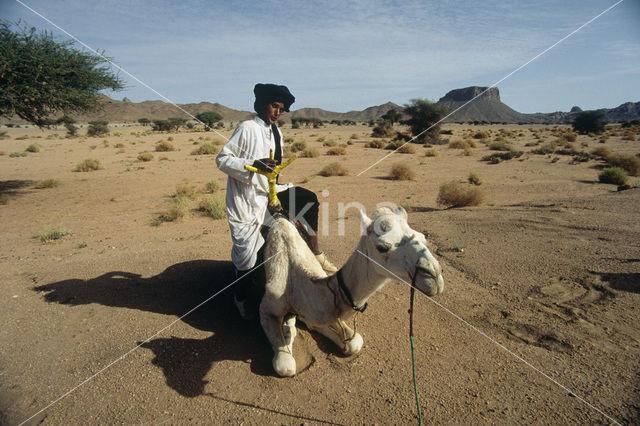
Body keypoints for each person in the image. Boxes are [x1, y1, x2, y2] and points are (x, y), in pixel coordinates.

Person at [216, 83, 336, 319]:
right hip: (247, 197)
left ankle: (316, 254)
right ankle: (240, 297)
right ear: (262, 105)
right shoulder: (247, 128)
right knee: (247, 256)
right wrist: (252, 167)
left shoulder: (276, 132)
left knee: (307, 199)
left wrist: (272, 179)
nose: (277, 112)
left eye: (281, 109)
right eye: (274, 106)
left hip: (270, 190)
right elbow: (222, 159)